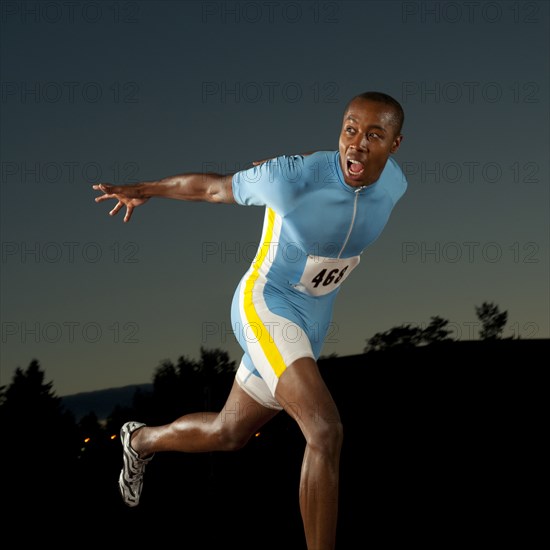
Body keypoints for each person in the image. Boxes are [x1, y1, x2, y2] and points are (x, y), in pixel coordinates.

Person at [93, 91, 407, 550]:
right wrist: (145, 190)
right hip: (268, 304)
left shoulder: (395, 184)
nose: (355, 145)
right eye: (349, 130)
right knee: (324, 430)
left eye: (373, 135)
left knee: (229, 432)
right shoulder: (293, 176)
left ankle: (140, 441)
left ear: (395, 144)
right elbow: (212, 187)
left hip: (313, 318)